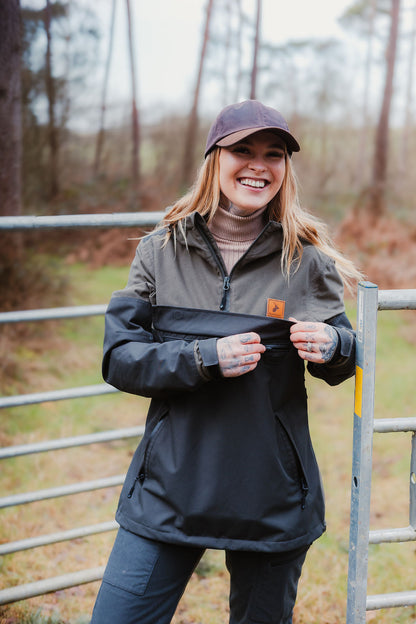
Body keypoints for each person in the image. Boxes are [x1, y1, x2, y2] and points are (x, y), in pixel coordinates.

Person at [91, 100, 360, 624]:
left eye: (274, 154)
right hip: (169, 487)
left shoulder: (307, 261)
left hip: (272, 493)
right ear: (214, 158)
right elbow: (119, 359)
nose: (259, 164)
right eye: (243, 149)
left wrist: (332, 346)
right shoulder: (160, 250)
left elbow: (344, 359)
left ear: (286, 169)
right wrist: (202, 357)